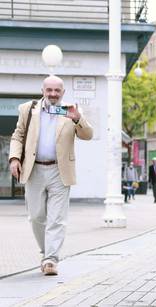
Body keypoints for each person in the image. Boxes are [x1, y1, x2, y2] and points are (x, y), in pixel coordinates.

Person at [8, 75, 93, 275]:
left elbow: (88, 135)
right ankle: (47, 252)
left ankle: (51, 260)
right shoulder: (28, 109)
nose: (53, 94)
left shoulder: (71, 111)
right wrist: (14, 158)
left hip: (59, 170)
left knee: (57, 218)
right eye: (49, 90)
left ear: (63, 92)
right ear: (43, 91)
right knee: (36, 216)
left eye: (57, 91)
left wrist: (78, 119)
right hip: (34, 169)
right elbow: (18, 135)